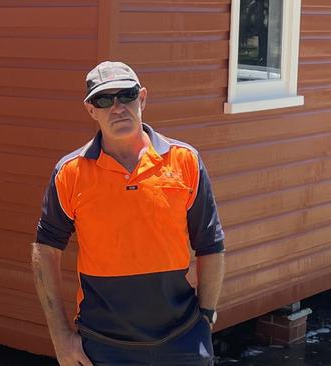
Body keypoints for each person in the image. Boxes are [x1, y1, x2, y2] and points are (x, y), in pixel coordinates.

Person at [32, 61, 225, 366]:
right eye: (104, 99)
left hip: (183, 340)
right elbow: (45, 251)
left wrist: (207, 317)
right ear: (90, 110)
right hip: (104, 346)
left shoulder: (184, 161)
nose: (117, 107)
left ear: (143, 98)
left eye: (126, 95)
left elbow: (211, 245)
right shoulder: (70, 173)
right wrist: (60, 337)